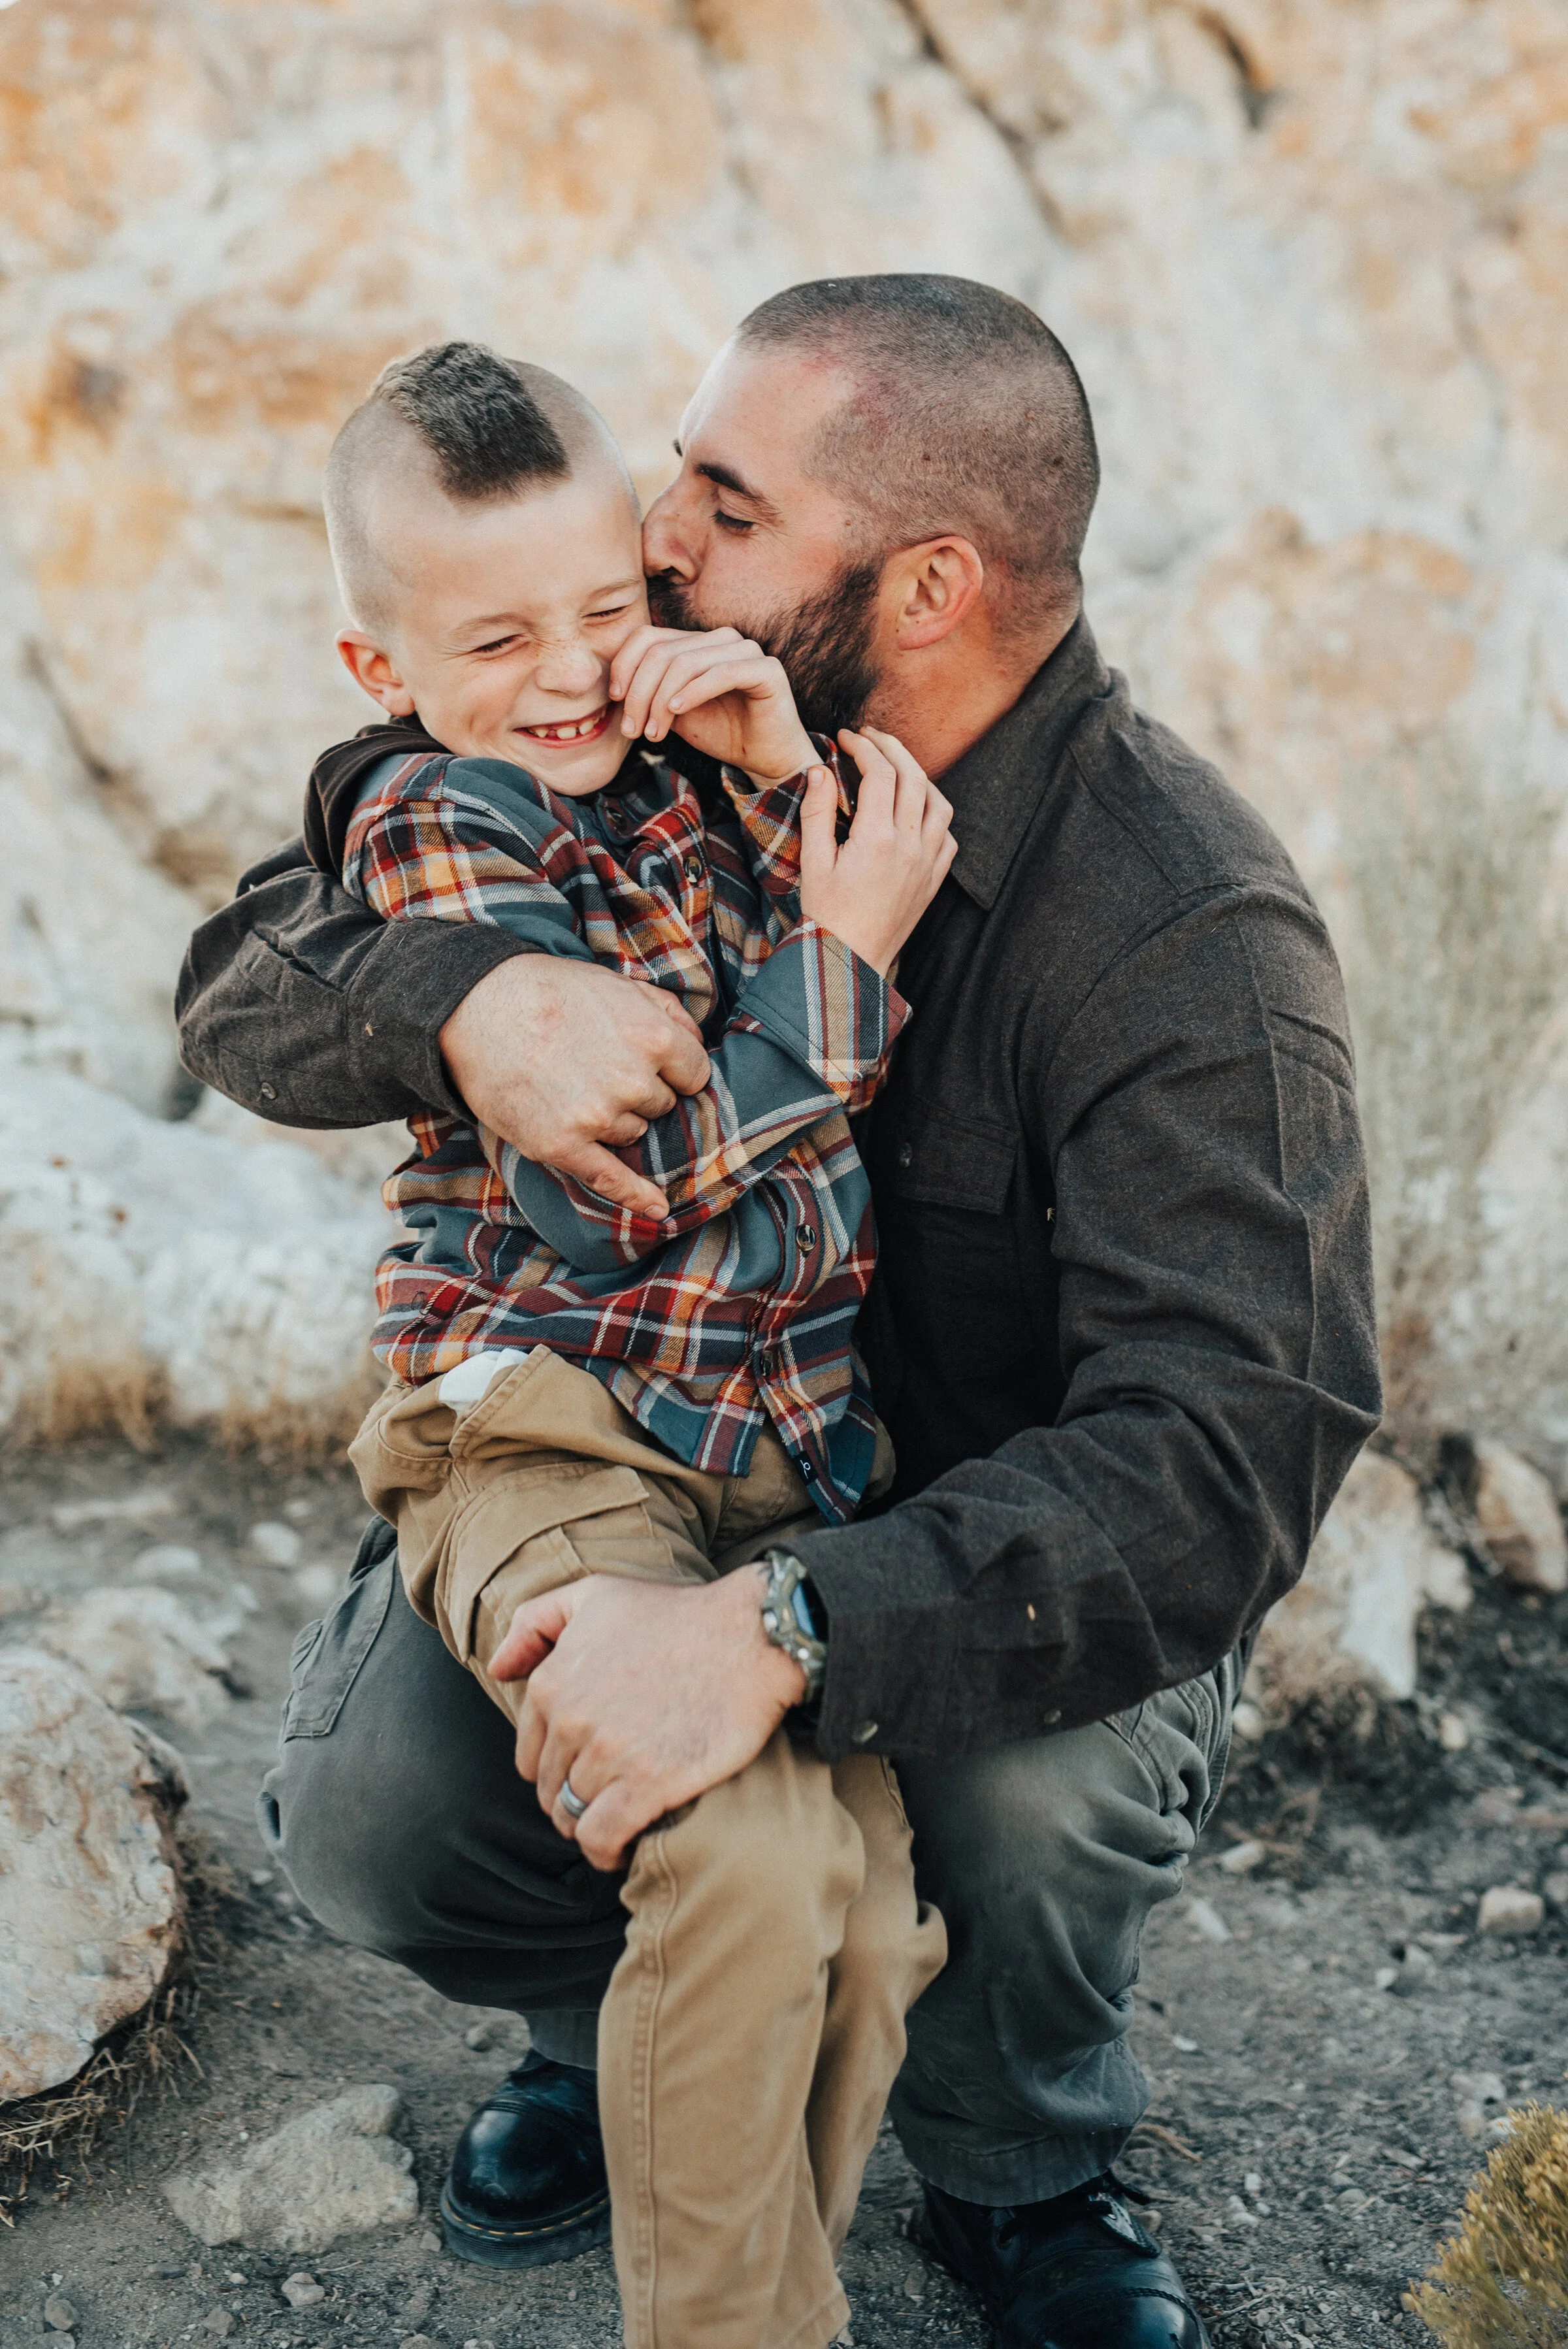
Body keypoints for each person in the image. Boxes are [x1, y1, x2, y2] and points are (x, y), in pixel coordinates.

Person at [179, 274, 1382, 2349]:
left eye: (724, 506)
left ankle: (1019, 2161)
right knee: (381, 1808)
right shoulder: (637, 714)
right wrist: (468, 1004)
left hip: (974, 1543)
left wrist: (791, 1628)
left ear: (925, 586)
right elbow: (241, 970)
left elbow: (1225, 1452)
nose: (654, 542)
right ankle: (630, 2026)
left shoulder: (1190, 933)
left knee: (1010, 1791)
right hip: (659, 1456)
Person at [306, 338, 951, 2348]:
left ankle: (768, 2284)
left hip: (776, 1447)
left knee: (859, 1913)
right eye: (499, 639)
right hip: (549, 1428)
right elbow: (622, 1189)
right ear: (382, 666)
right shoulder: (440, 823)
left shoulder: (687, 780)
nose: (574, 671)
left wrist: (778, 762)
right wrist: (839, 966)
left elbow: (851, 890)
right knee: (743, 1871)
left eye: (607, 608)